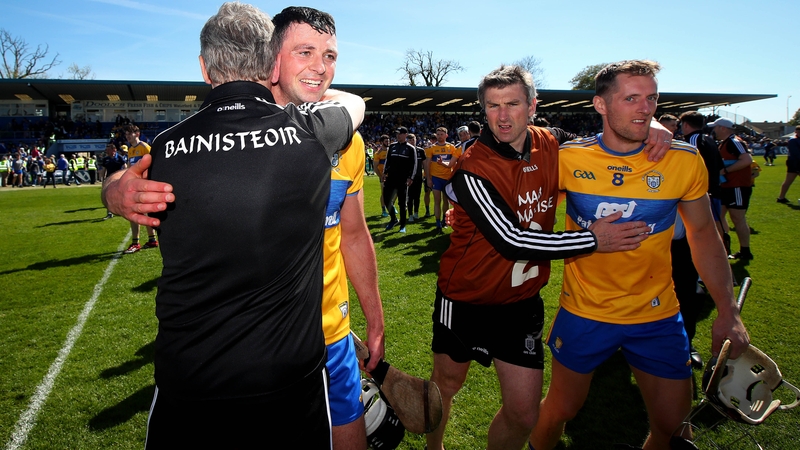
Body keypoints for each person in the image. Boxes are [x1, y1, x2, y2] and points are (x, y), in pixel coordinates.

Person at [101, 3, 365, 448]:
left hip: (189, 381)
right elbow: (354, 105)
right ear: (271, 63)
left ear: (204, 69)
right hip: (288, 380)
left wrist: (110, 190)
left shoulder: (164, 148)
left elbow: (122, 182)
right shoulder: (310, 134)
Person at [427, 64, 671, 450]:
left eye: (513, 104)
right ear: (483, 110)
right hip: (466, 297)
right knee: (447, 385)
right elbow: (512, 241)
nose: (503, 116)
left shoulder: (550, 141)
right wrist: (593, 239)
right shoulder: (472, 168)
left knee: (524, 414)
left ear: (533, 105)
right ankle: (433, 446)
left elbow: (603, 135)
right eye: (493, 106)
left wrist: (650, 125)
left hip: (521, 303)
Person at [529, 60, 749, 450]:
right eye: (630, 98)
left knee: (675, 424)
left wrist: (728, 311)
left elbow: (702, 234)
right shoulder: (569, 158)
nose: (644, 108)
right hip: (585, 311)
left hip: (657, 315)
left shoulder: (683, 160)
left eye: (651, 98)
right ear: (600, 105)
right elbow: (528, 204)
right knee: (561, 409)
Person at [268, 7, 384, 448]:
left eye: (330, 55)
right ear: (271, 58)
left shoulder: (348, 140)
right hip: (264, 345)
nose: (321, 67)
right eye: (305, 52)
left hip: (332, 335)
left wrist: (374, 319)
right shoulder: (241, 135)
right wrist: (117, 188)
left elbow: (353, 234)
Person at [709, 117, 754, 260]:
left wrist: (725, 171)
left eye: (715, 127)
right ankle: (724, 248)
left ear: (723, 128)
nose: (713, 131)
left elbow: (747, 160)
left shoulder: (735, 142)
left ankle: (745, 250)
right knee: (719, 217)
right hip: (727, 186)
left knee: (737, 218)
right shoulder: (725, 143)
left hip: (737, 186)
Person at [120, 125, 158, 253]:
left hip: (143, 185)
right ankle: (152, 240)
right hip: (135, 185)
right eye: (126, 134)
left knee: (135, 213)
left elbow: (153, 163)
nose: (127, 136)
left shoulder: (144, 147)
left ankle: (136, 243)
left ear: (137, 134)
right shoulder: (131, 150)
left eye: (129, 134)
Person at [425, 126, 461, 232]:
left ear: (446, 135)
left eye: (442, 134)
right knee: (437, 201)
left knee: (446, 201)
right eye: (438, 134)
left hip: (448, 178)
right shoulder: (431, 148)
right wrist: (428, 178)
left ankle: (444, 221)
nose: (440, 136)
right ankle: (437, 223)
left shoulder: (451, 147)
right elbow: (427, 164)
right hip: (436, 178)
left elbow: (454, 163)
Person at [382, 126, 418, 233]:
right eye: (397, 134)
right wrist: (384, 173)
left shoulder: (411, 148)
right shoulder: (392, 146)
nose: (398, 135)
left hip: (403, 179)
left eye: (400, 133)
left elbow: (414, 164)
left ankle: (402, 225)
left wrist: (411, 177)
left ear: (405, 135)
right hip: (391, 178)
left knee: (402, 203)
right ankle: (393, 219)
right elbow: (387, 161)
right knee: (386, 199)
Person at [100, 142, 127, 219]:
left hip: (119, 179)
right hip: (109, 180)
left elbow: (125, 167)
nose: (107, 152)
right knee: (108, 196)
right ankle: (109, 213)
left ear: (114, 150)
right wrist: (103, 179)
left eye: (108, 150)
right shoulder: (106, 159)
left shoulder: (120, 158)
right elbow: (104, 170)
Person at [777, 125, 800, 203]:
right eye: (798, 131)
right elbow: (796, 153)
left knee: (788, 181)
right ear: (796, 132)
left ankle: (781, 198)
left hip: (794, 162)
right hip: (794, 163)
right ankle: (781, 197)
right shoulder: (793, 140)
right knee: (788, 181)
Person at [406, 133, 426, 221]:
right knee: (409, 196)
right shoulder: (405, 150)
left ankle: (416, 213)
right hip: (408, 178)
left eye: (413, 140)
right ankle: (410, 214)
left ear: (416, 140)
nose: (412, 141)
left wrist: (426, 175)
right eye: (410, 140)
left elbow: (424, 164)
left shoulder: (421, 151)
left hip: (418, 177)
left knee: (417, 196)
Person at [374, 134, 390, 216]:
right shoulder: (378, 153)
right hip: (383, 176)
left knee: (393, 192)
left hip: (391, 175)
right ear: (381, 142)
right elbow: (375, 167)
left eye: (388, 141)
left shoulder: (390, 151)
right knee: (384, 193)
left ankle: (391, 206)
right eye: (386, 141)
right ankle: (384, 209)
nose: (388, 142)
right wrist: (380, 176)